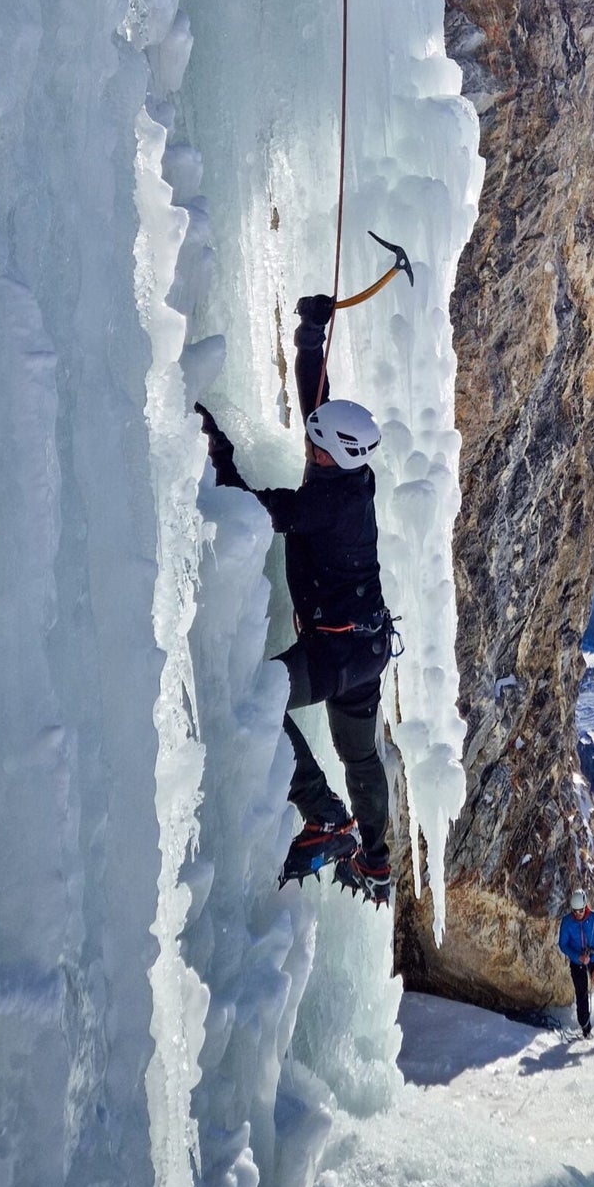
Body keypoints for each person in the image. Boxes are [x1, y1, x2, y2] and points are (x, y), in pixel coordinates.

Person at [195, 293, 394, 903]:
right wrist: (312, 334)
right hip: (368, 648)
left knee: (259, 694)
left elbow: (255, 509)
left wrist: (219, 452)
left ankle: (323, 813)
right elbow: (319, 398)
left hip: (336, 655)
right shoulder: (349, 474)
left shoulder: (324, 502)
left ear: (331, 454)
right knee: (361, 758)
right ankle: (377, 860)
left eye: (314, 446)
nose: (307, 447)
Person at [557, 888, 594, 1041]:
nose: (578, 914)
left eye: (581, 910)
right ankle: (585, 1029)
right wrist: (577, 957)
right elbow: (563, 944)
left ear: (586, 906)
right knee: (581, 994)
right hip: (578, 962)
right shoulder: (567, 922)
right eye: (575, 911)